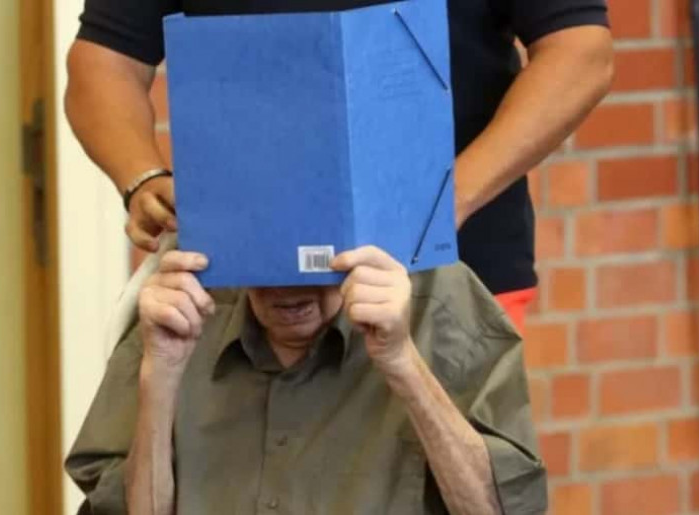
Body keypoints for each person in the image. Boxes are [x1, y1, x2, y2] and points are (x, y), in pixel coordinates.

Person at [65, 0, 613, 332]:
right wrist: (141, 176)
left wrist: (447, 200)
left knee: (449, 476)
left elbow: (580, 51)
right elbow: (104, 60)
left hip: (449, 276)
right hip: (239, 286)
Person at [66, 245, 547, 513]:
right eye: (264, 261)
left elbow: (502, 510)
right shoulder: (186, 298)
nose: (285, 287)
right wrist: (162, 374)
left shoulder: (440, 301)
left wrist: (403, 363)